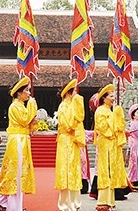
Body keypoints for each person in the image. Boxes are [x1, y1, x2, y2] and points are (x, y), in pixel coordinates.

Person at [0, 76, 38, 211]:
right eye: (26, 91)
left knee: (19, 173)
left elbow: (29, 123)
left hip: (22, 139)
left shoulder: (21, 106)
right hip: (17, 140)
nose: (29, 93)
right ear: (19, 93)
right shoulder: (15, 106)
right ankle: (11, 206)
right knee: (16, 173)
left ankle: (6, 202)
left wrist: (33, 121)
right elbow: (24, 120)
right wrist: (33, 106)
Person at [55, 79, 85, 211]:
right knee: (67, 171)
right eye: (74, 91)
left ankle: (74, 202)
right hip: (66, 140)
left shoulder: (70, 105)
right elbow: (69, 125)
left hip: (71, 141)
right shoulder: (64, 106)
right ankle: (67, 204)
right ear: (69, 93)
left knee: (73, 170)